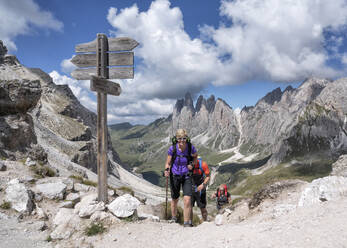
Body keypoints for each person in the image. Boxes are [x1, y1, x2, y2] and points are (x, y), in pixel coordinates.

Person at [164, 128, 198, 227]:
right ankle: (174, 217)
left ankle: (187, 223)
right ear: (176, 139)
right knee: (175, 199)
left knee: (187, 199)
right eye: (179, 139)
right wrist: (166, 170)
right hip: (174, 175)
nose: (182, 141)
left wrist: (192, 164)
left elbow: (195, 157)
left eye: (184, 138)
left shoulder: (191, 147)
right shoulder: (172, 149)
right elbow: (168, 163)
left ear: (186, 138)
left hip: (187, 175)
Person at [191, 156, 210, 222]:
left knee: (202, 206)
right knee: (189, 206)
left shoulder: (203, 165)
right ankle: (189, 222)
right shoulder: (188, 164)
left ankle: (205, 221)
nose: (193, 162)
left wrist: (203, 184)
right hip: (191, 187)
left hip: (201, 188)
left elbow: (207, 176)